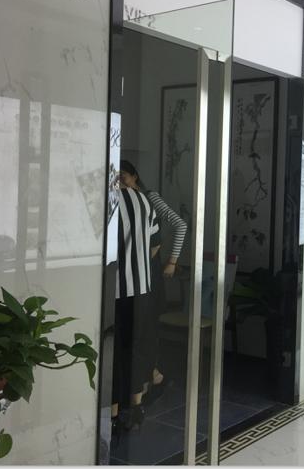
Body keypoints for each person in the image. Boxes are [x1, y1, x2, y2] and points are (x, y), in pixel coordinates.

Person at [118, 160, 187, 405]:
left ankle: (150, 382)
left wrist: (172, 261)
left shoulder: (149, 197)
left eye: (123, 176)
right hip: (134, 271)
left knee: (144, 330)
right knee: (139, 331)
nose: (120, 181)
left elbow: (180, 225)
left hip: (148, 270)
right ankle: (149, 380)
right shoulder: (119, 200)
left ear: (134, 176)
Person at [112, 163, 160, 435]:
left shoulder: (109, 200)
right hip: (142, 286)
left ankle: (113, 412)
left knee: (115, 349)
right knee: (137, 346)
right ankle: (137, 405)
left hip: (116, 288)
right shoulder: (145, 201)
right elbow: (155, 242)